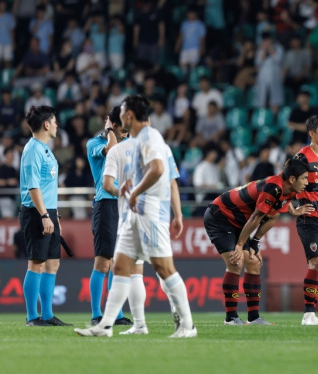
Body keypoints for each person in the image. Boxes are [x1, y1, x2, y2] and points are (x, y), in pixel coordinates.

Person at [75, 95, 196, 338]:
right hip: (133, 213)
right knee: (121, 266)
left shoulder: (150, 138)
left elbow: (160, 171)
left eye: (122, 113)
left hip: (149, 212)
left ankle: (187, 325)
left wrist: (135, 191)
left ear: (129, 116)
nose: (119, 117)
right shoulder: (132, 143)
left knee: (164, 268)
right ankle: (107, 325)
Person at [204, 159, 312, 325]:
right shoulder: (273, 188)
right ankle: (231, 318)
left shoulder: (288, 190)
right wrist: (240, 246)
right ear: (292, 179)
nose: (307, 182)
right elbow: (256, 217)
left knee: (254, 263)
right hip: (220, 216)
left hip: (239, 222)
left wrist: (254, 242)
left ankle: (254, 318)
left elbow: (274, 216)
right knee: (235, 262)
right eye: (304, 178)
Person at [102, 130, 184, 335]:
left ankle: (178, 319)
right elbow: (172, 182)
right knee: (142, 271)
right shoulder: (161, 147)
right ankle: (136, 324)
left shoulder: (122, 149)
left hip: (141, 216)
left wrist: (127, 192)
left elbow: (109, 184)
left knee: (153, 270)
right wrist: (178, 215)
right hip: (149, 216)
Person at [20, 105, 71, 326]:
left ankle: (48, 315)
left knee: (52, 264)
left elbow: (48, 187)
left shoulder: (45, 148)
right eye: (54, 120)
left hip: (48, 211)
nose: (57, 124)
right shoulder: (33, 150)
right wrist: (43, 215)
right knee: (36, 264)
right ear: (46, 124)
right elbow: (33, 187)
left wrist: (54, 213)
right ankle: (32, 317)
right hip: (35, 212)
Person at [86, 106, 132, 326]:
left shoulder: (126, 141)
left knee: (117, 263)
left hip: (124, 206)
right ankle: (96, 314)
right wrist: (110, 132)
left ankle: (116, 313)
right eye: (122, 128)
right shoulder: (95, 144)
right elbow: (111, 148)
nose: (126, 132)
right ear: (113, 125)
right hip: (106, 205)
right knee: (103, 261)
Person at [291, 114, 318, 326]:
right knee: (316, 262)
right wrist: (293, 209)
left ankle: (312, 313)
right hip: (310, 219)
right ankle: (308, 314)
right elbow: (285, 183)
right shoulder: (302, 157)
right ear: (312, 133)